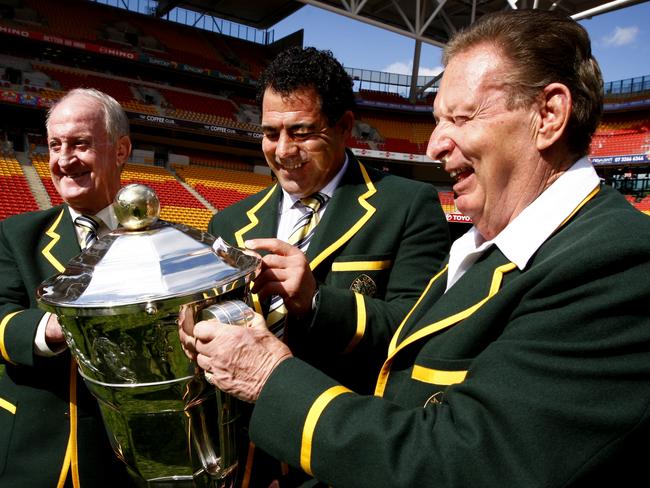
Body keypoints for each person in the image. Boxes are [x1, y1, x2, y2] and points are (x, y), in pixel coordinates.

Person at [183, 10, 650, 487]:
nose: (433, 146)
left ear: (548, 115)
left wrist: (271, 374)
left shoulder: (619, 264)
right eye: (435, 121)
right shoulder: (484, 247)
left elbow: (469, 462)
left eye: (460, 118)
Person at [206, 46, 450, 485]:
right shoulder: (227, 221)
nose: (282, 150)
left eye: (300, 132)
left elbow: (418, 333)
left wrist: (315, 302)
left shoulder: (407, 205)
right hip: (244, 458)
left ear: (344, 128)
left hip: (337, 455)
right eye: (269, 133)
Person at [0, 88, 134, 486]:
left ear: (121, 150)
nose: (62, 160)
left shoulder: (160, 240)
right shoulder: (16, 235)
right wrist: (55, 328)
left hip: (127, 465)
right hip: (34, 456)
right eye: (55, 145)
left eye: (80, 144)